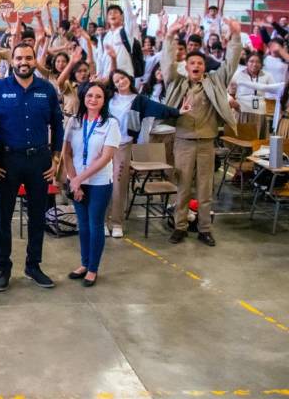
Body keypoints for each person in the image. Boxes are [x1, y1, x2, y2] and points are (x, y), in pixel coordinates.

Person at [0, 43, 64, 291]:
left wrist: (57, 159)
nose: (23, 62)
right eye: (19, 58)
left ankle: (33, 266)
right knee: (3, 218)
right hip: (7, 162)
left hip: (39, 161)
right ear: (12, 61)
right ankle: (3, 268)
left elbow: (58, 126)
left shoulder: (46, 90)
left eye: (28, 58)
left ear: (34, 60)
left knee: (37, 216)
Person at [163, 16, 242, 247]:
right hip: (183, 142)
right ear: (186, 67)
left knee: (205, 188)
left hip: (207, 143)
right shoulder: (177, 83)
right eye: (192, 63)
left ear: (205, 66)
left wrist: (236, 36)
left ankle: (205, 229)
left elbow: (230, 63)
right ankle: (180, 227)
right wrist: (169, 36)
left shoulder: (215, 82)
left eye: (200, 62)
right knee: (183, 187)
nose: (196, 66)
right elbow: (166, 64)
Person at [106, 69, 185, 238]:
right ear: (113, 85)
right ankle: (102, 222)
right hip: (103, 146)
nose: (121, 82)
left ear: (129, 78)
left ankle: (117, 222)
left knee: (119, 184)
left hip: (123, 145)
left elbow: (161, 109)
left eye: (123, 77)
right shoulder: (107, 99)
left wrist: (179, 112)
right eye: (116, 80)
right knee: (100, 184)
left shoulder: (140, 100)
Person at [62, 83, 121, 286]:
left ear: (104, 101)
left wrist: (80, 179)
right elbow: (67, 153)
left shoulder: (110, 124)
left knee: (95, 224)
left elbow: (106, 158)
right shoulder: (74, 122)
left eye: (98, 96)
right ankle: (84, 263)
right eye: (89, 95)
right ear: (83, 98)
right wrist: (74, 180)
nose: (93, 99)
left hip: (99, 183)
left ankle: (93, 269)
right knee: (83, 225)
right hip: (77, 181)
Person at [229, 52, 278, 138]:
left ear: (261, 64)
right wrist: (231, 101)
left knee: (257, 138)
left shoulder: (267, 75)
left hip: (259, 111)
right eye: (251, 61)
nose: (254, 64)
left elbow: (275, 90)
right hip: (241, 111)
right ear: (246, 62)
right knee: (242, 137)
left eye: (258, 62)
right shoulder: (238, 74)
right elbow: (229, 91)